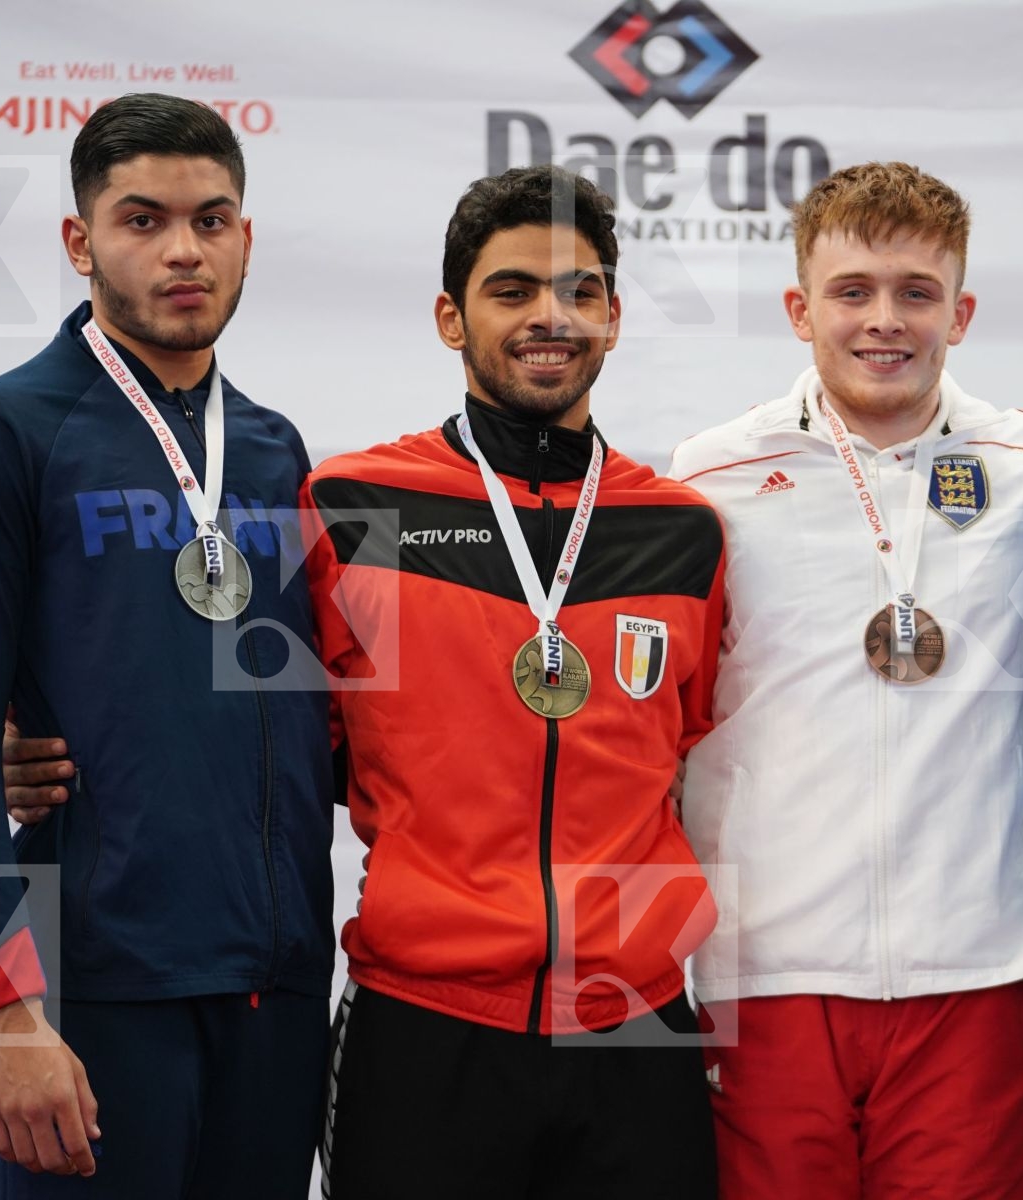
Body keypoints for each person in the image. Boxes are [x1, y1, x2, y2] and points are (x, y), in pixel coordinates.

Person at [0, 93, 334, 1197]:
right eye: (143, 220)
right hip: (93, 991)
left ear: (245, 238)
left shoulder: (275, 449)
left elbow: (301, 708)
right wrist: (5, 1010)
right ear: (79, 242)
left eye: (211, 220)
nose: (184, 251)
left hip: (276, 990)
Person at [299, 165, 725, 1198]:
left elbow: (687, 754)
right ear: (451, 317)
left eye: (581, 291)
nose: (552, 316)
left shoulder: (684, 530)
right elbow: (283, 751)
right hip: (425, 1022)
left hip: (635, 1023)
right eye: (513, 290)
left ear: (614, 318)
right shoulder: (351, 506)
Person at [668, 162, 1023, 1197]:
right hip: (768, 973)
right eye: (853, 291)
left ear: (960, 313)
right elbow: (653, 721)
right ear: (800, 310)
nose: (884, 319)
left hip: (974, 972)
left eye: (916, 292)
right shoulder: (709, 477)